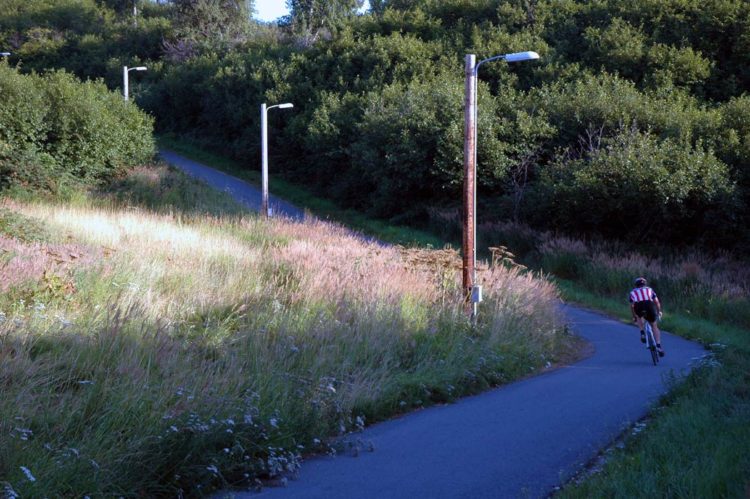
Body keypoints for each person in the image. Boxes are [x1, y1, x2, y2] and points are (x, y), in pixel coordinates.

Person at [629, 277, 664, 357]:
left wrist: (634, 316)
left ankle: (642, 333)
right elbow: (657, 302)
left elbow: (632, 306)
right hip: (649, 305)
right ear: (645, 284)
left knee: (638, 316)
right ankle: (658, 346)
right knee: (654, 325)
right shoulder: (650, 289)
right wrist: (659, 312)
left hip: (639, 306)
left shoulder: (632, 292)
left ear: (636, 285)